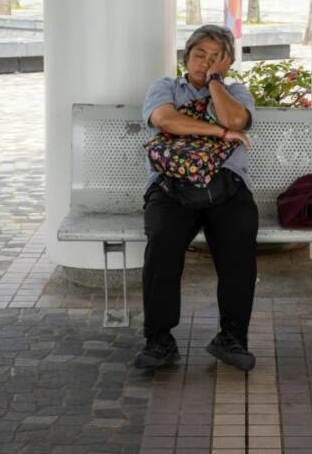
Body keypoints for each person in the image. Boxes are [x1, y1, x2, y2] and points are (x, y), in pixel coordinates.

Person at [135, 24, 259, 371]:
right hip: (171, 186)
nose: (205, 62)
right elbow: (166, 120)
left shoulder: (236, 92)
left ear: (228, 63)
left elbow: (237, 119)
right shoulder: (166, 87)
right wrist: (220, 132)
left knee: (239, 240)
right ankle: (159, 340)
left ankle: (232, 337)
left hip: (226, 185)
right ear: (186, 57)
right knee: (161, 241)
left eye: (216, 57)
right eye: (199, 54)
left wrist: (216, 83)